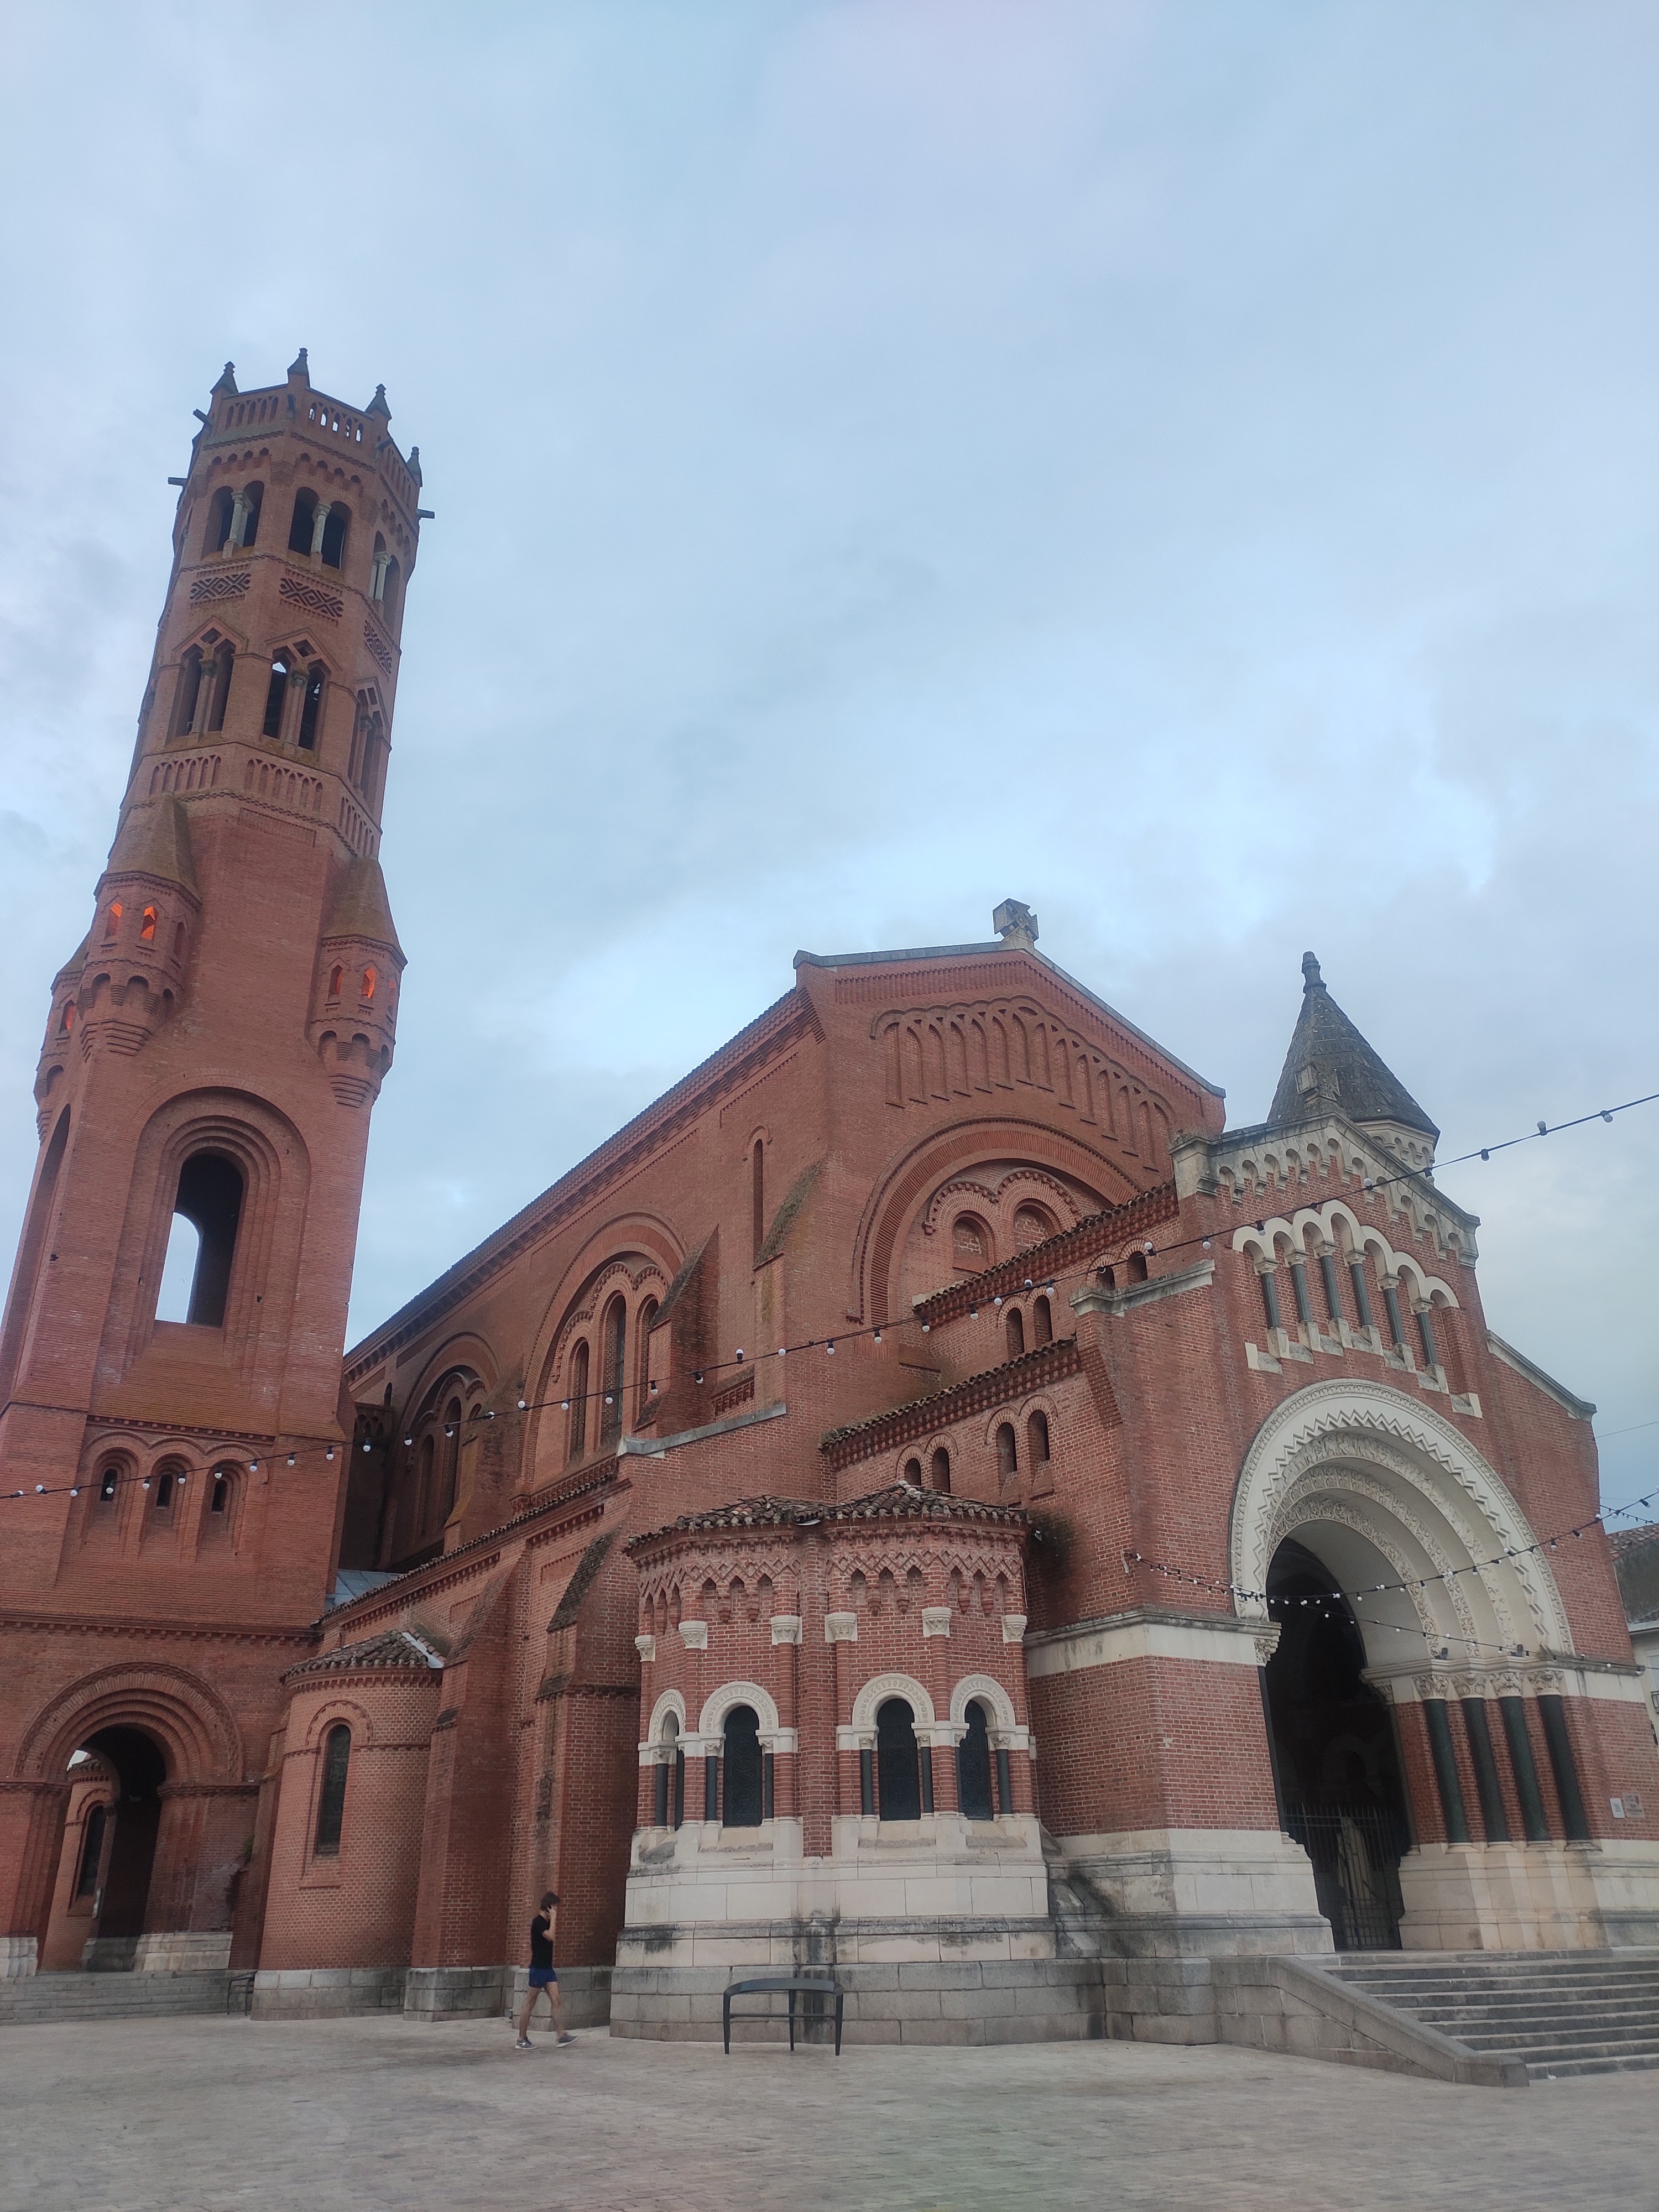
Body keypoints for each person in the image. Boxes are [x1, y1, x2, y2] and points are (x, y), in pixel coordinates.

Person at [515, 1890, 576, 2049]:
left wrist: (553, 1920)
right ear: (548, 1907)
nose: (556, 1910)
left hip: (548, 1969)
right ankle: (521, 2038)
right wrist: (554, 1919)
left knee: (556, 2000)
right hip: (538, 1969)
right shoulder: (538, 1922)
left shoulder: (548, 1922)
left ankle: (561, 2035)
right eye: (555, 1907)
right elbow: (550, 1936)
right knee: (530, 2003)